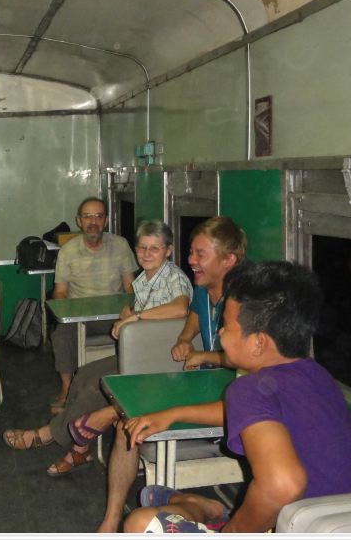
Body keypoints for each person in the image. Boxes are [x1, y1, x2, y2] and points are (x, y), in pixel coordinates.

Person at [121, 261, 351, 533]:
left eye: (226, 325)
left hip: (305, 528)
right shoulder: (317, 375)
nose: (220, 332)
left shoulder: (247, 388)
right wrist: (174, 414)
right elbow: (257, 414)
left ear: (259, 343)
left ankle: (201, 510)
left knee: (140, 523)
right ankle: (202, 507)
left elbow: (283, 484)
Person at [2, 220, 192, 476]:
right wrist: (129, 313)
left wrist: (135, 319)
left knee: (98, 386)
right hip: (138, 355)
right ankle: (81, 448)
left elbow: (180, 308)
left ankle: (49, 435)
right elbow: (142, 308)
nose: (147, 254)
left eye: (155, 249)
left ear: (168, 251)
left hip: (159, 362)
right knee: (84, 375)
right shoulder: (144, 280)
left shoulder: (173, 276)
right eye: (142, 248)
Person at [97, 216, 246, 532]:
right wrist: (183, 338)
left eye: (200, 254)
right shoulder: (205, 291)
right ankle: (111, 519)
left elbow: (248, 362)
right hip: (206, 384)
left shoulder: (246, 304)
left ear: (229, 260)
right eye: (191, 252)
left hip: (235, 398)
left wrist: (206, 354)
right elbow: (192, 316)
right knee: (128, 426)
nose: (191, 260)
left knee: (130, 418)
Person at [50, 197, 137, 412]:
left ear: (106, 220)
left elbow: (131, 287)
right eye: (87, 216)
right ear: (79, 221)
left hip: (114, 315)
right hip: (81, 318)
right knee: (61, 333)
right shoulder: (68, 251)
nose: (93, 222)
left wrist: (134, 312)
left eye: (98, 216)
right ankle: (67, 388)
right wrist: (66, 310)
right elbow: (60, 291)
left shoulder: (120, 245)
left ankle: (128, 385)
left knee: (137, 330)